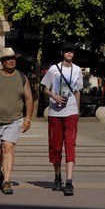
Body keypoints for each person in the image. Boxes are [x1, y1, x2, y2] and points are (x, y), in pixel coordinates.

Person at [0, 47, 33, 194]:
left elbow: (28, 99)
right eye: (8, 59)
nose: (11, 61)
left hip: (14, 120)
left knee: (8, 148)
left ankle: (7, 181)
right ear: (2, 62)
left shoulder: (22, 77)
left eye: (13, 58)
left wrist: (28, 119)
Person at [41, 44, 84, 195]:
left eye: (71, 51)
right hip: (55, 112)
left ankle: (69, 181)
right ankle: (57, 177)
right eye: (67, 50)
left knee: (70, 145)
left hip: (71, 112)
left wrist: (77, 110)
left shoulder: (78, 70)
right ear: (62, 53)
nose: (69, 52)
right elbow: (45, 88)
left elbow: (77, 91)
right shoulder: (53, 69)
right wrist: (54, 96)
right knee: (56, 146)